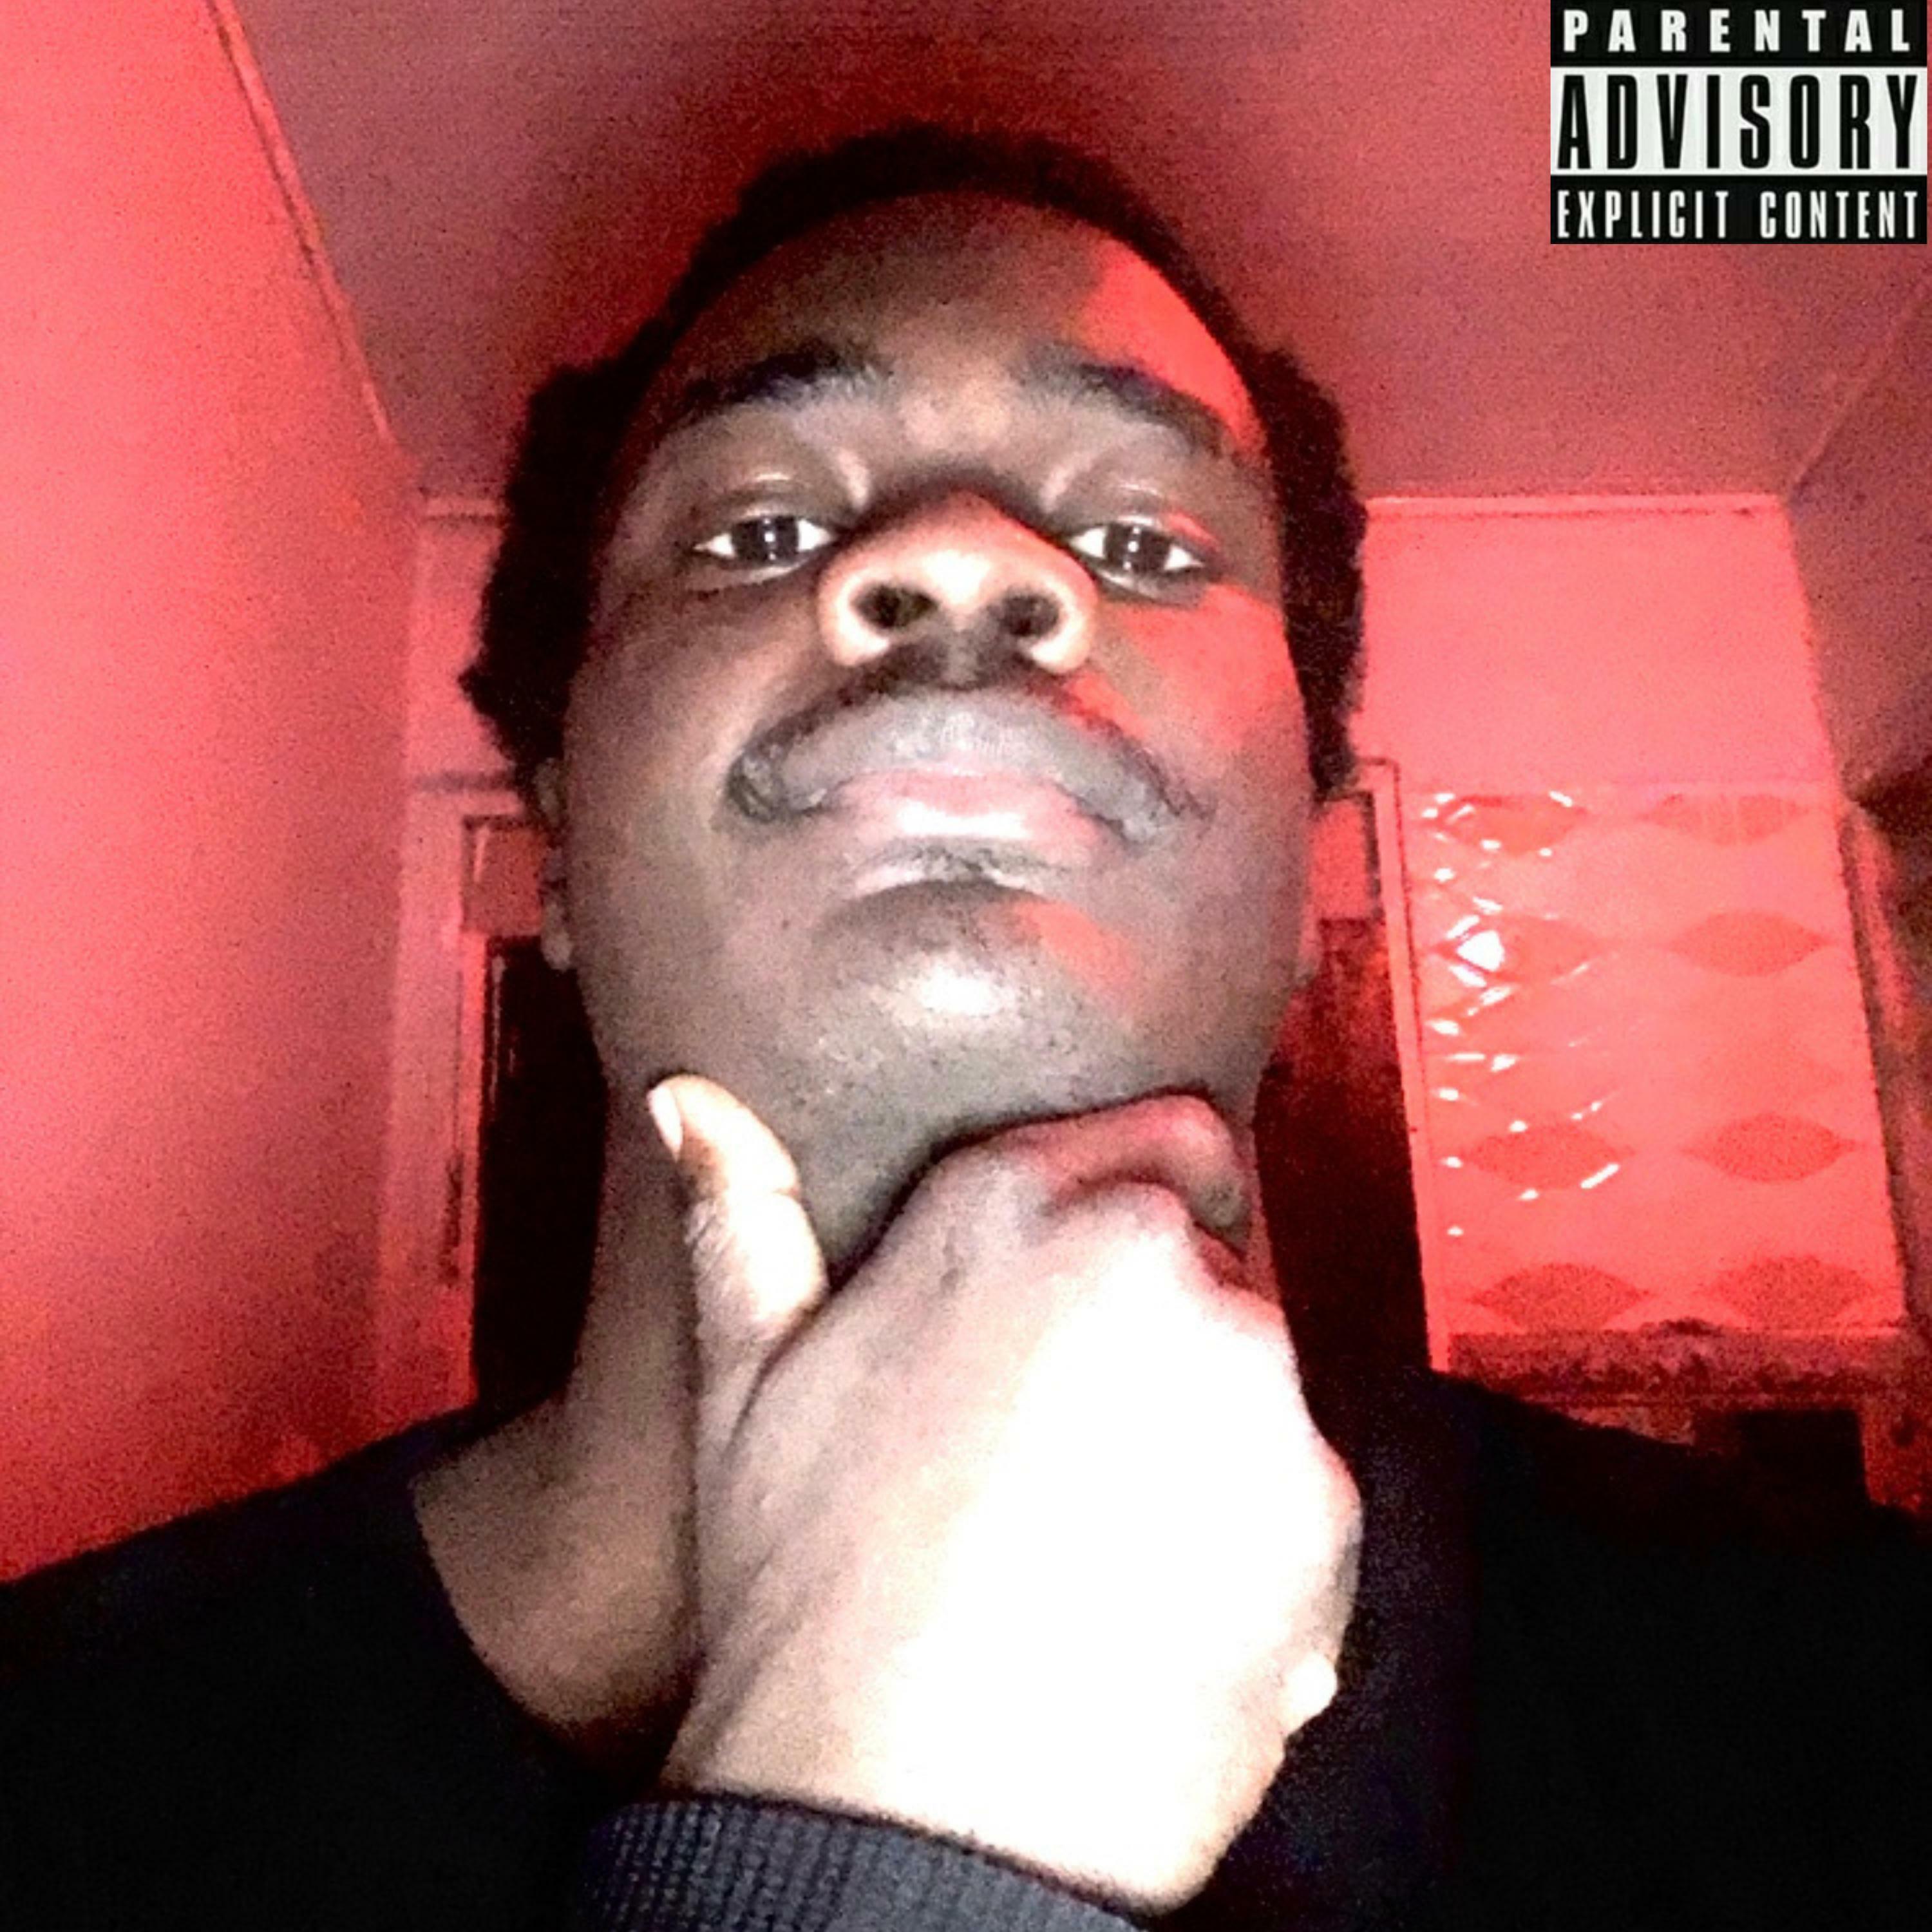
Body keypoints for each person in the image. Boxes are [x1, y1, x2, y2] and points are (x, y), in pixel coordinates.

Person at [2, 121, 1929, 1932]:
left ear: (1310, 877)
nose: (963, 559)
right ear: (561, 845)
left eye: (1150, 545)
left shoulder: (1856, 1708)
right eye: (758, 529)